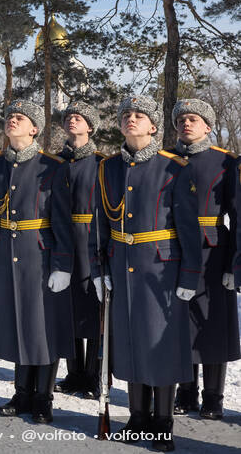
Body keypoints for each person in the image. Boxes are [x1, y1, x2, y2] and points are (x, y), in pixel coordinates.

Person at [90, 95, 202, 452]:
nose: (130, 120)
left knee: (161, 346)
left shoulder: (175, 167)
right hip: (122, 265)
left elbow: (188, 228)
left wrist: (188, 276)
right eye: (126, 115)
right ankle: (138, 419)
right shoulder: (108, 168)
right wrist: (99, 268)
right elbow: (100, 225)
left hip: (162, 270)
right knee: (131, 342)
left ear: (154, 126)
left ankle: (163, 423)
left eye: (139, 116)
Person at [0, 99, 74, 424]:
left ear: (34, 128)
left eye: (19, 118)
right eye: (9, 117)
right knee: (18, 323)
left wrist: (63, 264)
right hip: (7, 253)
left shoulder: (52, 167)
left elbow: (63, 220)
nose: (12, 122)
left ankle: (43, 398)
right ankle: (21, 394)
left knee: (42, 327)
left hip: (41, 255)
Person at [170, 99, 239, 421]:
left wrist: (234, 265)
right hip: (172, 252)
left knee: (211, 327)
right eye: (181, 119)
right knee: (179, 325)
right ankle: (186, 392)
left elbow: (238, 217)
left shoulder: (226, 163)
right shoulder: (166, 161)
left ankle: (214, 397)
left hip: (213, 252)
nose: (186, 124)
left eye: (193, 119)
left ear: (208, 126)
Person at [54, 102, 105, 398]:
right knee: (67, 307)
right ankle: (74, 374)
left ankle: (94, 375)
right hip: (62, 240)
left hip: (91, 238)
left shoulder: (101, 163)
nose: (73, 121)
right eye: (69, 117)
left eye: (79, 118)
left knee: (93, 308)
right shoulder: (55, 162)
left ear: (90, 125)